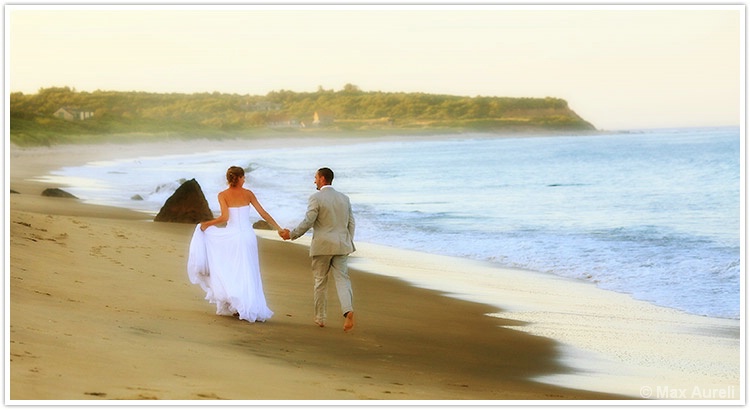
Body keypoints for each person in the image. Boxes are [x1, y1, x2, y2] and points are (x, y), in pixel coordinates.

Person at [187, 166, 283, 323]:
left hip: (232, 237)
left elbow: (224, 218)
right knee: (249, 271)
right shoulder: (248, 194)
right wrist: (278, 228)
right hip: (247, 236)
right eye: (243, 177)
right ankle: (247, 305)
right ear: (239, 178)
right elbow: (263, 213)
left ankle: (237, 304)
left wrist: (207, 224)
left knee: (233, 269)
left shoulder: (223, 195)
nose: (245, 180)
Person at [280, 167, 356, 331]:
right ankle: (348, 311)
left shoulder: (316, 198)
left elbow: (309, 221)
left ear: (322, 179)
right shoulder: (344, 198)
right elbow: (351, 222)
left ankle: (320, 318)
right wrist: (348, 241)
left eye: (315, 177)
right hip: (342, 245)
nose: (314, 181)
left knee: (320, 281)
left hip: (322, 246)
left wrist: (292, 234)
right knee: (343, 280)